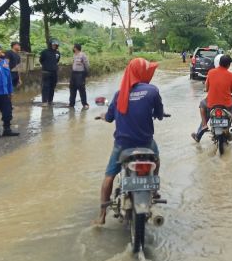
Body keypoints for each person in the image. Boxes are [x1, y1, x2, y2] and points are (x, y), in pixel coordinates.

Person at [94, 58, 164, 225]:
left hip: (123, 145)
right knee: (157, 160)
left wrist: (103, 115)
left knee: (109, 176)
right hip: (146, 143)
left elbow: (110, 117)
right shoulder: (152, 91)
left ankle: (102, 215)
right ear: (142, 72)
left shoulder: (119, 94)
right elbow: (160, 114)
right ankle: (153, 190)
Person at [191, 54, 232, 142]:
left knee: (202, 105)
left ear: (219, 63)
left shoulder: (211, 72)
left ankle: (203, 126)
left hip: (211, 104)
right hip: (227, 105)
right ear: (228, 65)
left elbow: (207, 88)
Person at [39, 39, 61, 106]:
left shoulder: (58, 53)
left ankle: (50, 101)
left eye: (55, 45)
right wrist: (46, 65)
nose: (54, 46)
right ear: (50, 45)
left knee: (52, 86)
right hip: (46, 72)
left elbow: (56, 61)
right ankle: (44, 101)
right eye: (53, 45)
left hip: (54, 72)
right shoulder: (44, 52)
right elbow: (41, 60)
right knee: (45, 86)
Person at [69, 43, 90, 109]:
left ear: (76, 48)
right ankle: (71, 104)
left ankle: (85, 104)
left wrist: (86, 72)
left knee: (81, 89)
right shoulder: (74, 55)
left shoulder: (82, 55)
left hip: (80, 74)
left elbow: (87, 64)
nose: (73, 48)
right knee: (72, 88)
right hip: (73, 74)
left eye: (73, 47)